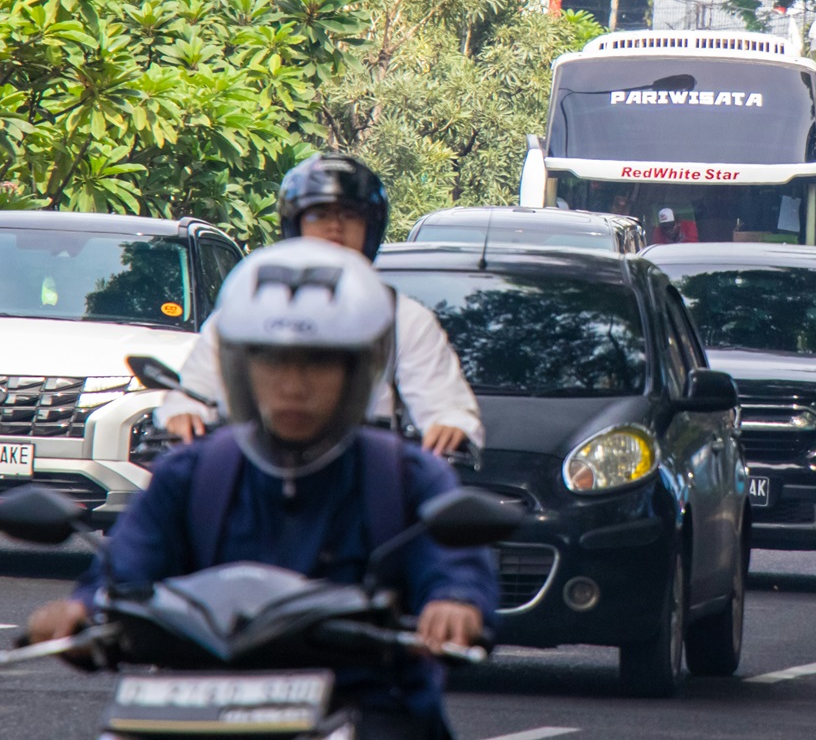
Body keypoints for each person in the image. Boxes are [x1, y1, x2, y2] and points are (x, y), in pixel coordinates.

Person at [25, 239, 498, 740]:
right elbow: (126, 568)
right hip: (197, 708)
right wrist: (82, 609)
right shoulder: (192, 474)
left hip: (366, 705)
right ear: (240, 367)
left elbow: (453, 565)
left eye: (317, 362)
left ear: (358, 370)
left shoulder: (405, 477)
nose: (293, 385)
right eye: (272, 361)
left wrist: (454, 603)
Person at [161, 153, 483, 456]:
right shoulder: (253, 301)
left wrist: (449, 424)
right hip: (254, 468)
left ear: (372, 229)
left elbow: (444, 402)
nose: (335, 227)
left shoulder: (400, 315)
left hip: (367, 475)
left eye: (349, 215)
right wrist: (183, 413)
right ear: (294, 224)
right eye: (319, 214)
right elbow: (194, 388)